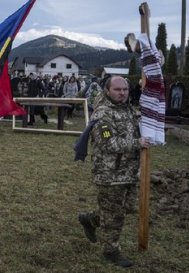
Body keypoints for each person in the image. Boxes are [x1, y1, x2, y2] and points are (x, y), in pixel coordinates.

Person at [78, 76, 151, 268]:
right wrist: (137, 143)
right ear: (107, 91)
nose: (122, 93)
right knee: (115, 215)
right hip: (110, 174)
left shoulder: (129, 111)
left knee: (127, 207)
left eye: (125, 90)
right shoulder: (102, 115)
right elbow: (108, 143)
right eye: (117, 90)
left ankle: (91, 219)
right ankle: (111, 250)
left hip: (130, 172)